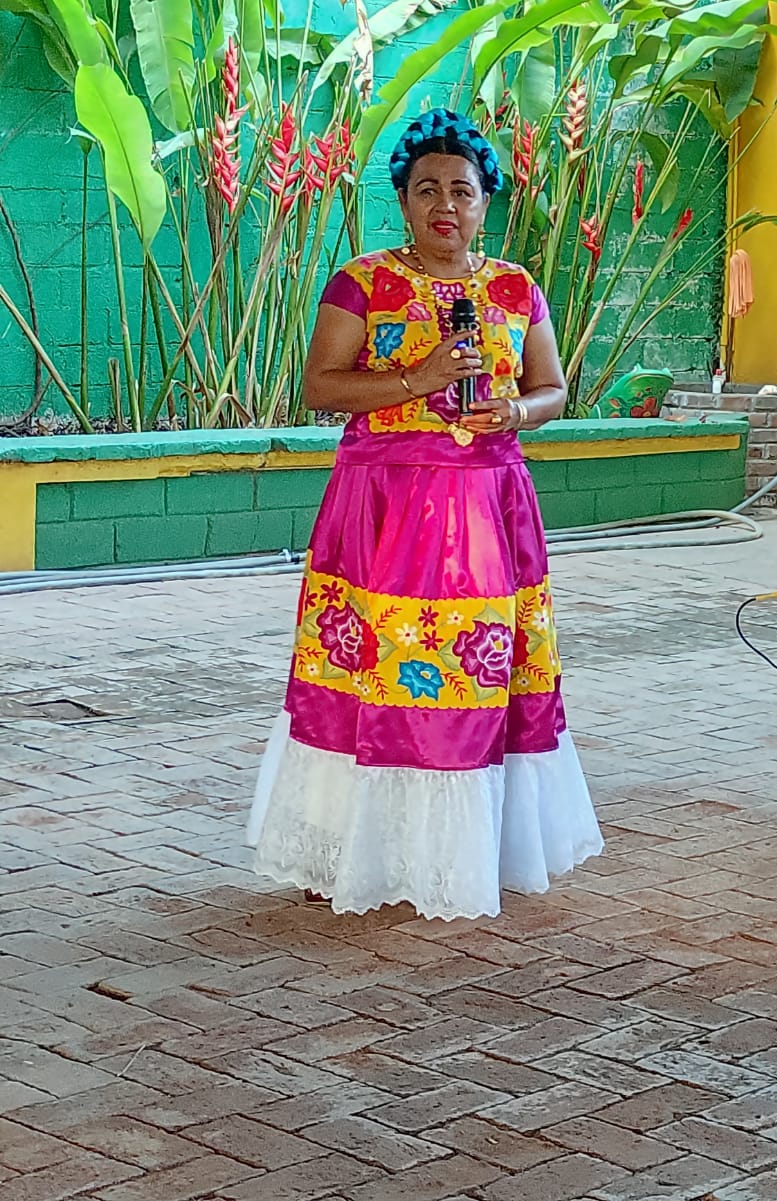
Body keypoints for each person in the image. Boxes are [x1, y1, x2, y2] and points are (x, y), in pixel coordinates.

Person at [247, 108, 603, 918]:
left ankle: (462, 855)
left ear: (486, 201)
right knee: (378, 667)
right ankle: (359, 853)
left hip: (489, 504)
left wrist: (515, 412)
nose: (446, 204)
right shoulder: (363, 282)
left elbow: (552, 388)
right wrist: (422, 378)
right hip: (385, 508)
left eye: (462, 190)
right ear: (404, 200)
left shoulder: (515, 287)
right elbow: (321, 386)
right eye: (427, 189)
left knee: (475, 671)